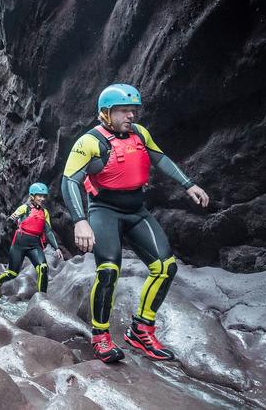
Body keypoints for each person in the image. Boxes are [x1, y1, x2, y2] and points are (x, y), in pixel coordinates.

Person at [61, 83, 209, 363]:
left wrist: (188, 184)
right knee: (108, 271)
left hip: (135, 209)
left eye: (133, 110)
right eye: (124, 111)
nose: (131, 116)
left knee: (165, 267)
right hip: (104, 210)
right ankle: (101, 337)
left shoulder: (140, 134)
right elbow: (69, 181)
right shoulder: (90, 142)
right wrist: (80, 221)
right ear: (106, 113)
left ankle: (140, 330)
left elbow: (160, 158)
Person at [0, 183, 64, 299]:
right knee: (13, 273)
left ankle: (42, 298)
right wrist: (11, 219)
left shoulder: (44, 212)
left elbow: (48, 231)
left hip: (34, 245)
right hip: (19, 245)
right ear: (32, 196)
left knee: (43, 268)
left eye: (43, 196)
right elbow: (12, 219)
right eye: (39, 196)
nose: (42, 199)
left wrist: (57, 248)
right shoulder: (24, 208)